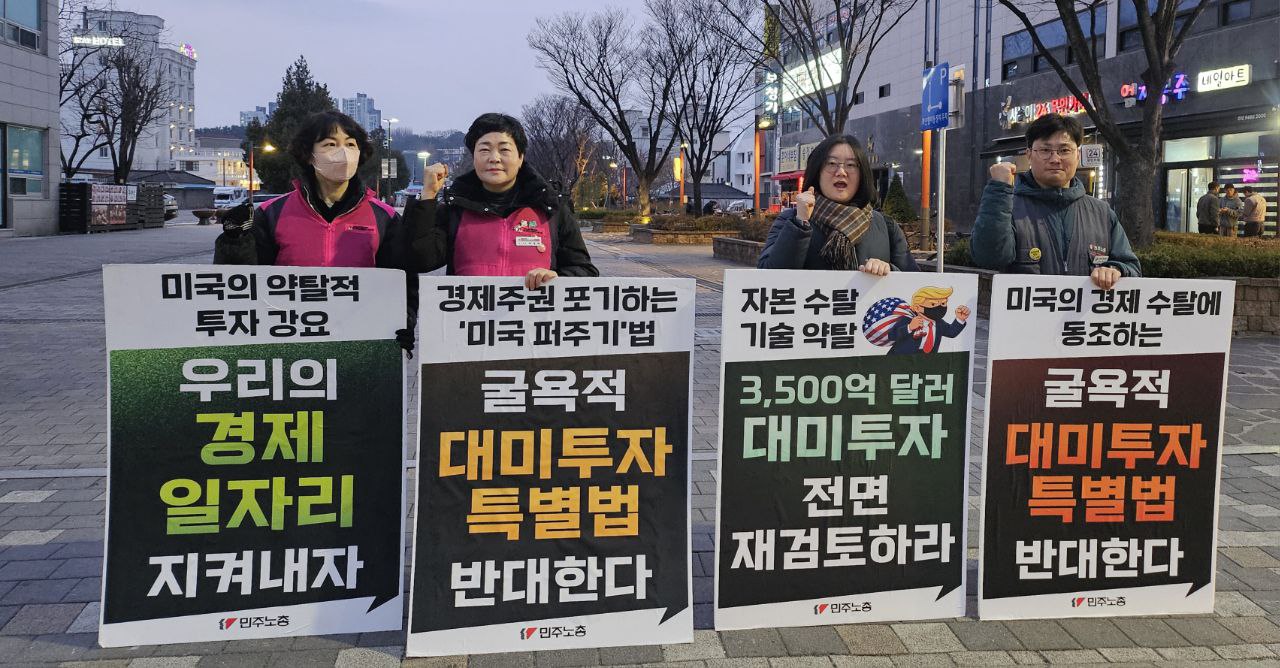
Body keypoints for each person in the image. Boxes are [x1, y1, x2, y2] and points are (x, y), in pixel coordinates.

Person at [403, 113, 597, 288]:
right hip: (470, 315)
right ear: (474, 157)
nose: (494, 158)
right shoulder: (455, 208)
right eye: (484, 150)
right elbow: (419, 260)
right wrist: (427, 196)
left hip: (534, 315)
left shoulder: (551, 207)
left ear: (520, 157)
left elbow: (584, 270)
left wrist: (557, 278)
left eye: (504, 150)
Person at [214, 110, 410, 269]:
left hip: (360, 308)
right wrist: (235, 241)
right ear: (308, 154)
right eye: (330, 144)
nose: (343, 152)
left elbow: (402, 281)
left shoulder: (385, 217)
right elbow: (242, 282)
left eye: (351, 144)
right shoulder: (272, 214)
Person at [971, 113, 1140, 290]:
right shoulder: (1007, 206)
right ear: (1029, 154)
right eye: (1045, 150)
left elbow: (1132, 267)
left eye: (1064, 150)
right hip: (1030, 308)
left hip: (1084, 309)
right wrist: (999, 189)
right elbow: (988, 257)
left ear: (1077, 155)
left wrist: (1115, 269)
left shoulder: (1101, 213)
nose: (1055, 159)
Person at [757, 134, 918, 275]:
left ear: (862, 174)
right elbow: (768, 277)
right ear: (817, 171)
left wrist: (889, 271)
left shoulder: (886, 226)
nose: (841, 172)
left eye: (851, 165)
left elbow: (914, 284)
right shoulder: (791, 220)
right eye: (831, 164)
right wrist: (800, 223)